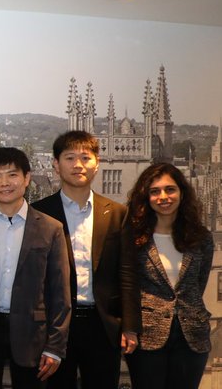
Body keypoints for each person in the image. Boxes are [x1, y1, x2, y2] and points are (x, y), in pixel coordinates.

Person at [0, 147, 71, 389]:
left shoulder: (51, 228)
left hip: (33, 334)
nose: (5, 183)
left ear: (27, 178)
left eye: (12, 174)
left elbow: (60, 294)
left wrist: (55, 347)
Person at [31, 130, 133, 389]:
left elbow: (127, 273)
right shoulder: (38, 214)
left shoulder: (117, 214)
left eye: (86, 157)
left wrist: (130, 326)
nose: (78, 164)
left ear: (97, 164)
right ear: (56, 164)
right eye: (70, 157)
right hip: (55, 327)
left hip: (102, 325)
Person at [119, 162, 213, 389]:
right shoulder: (133, 236)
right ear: (146, 197)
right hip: (147, 337)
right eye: (155, 191)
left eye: (170, 189)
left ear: (181, 192)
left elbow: (197, 285)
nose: (163, 197)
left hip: (191, 337)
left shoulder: (201, 237)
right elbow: (126, 284)